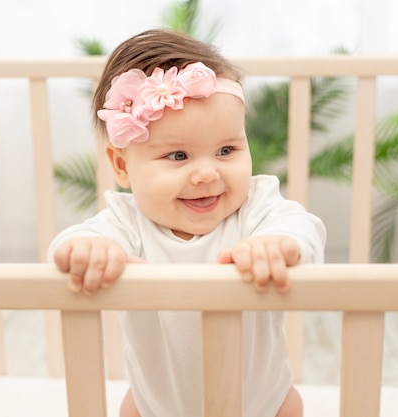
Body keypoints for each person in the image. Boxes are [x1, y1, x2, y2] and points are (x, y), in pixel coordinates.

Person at [49, 28, 326, 417]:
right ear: (122, 166)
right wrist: (88, 250)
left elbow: (303, 227)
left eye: (226, 150)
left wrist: (280, 243)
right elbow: (74, 241)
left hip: (263, 404)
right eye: (178, 156)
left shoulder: (255, 208)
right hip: (154, 407)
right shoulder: (127, 223)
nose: (206, 174)